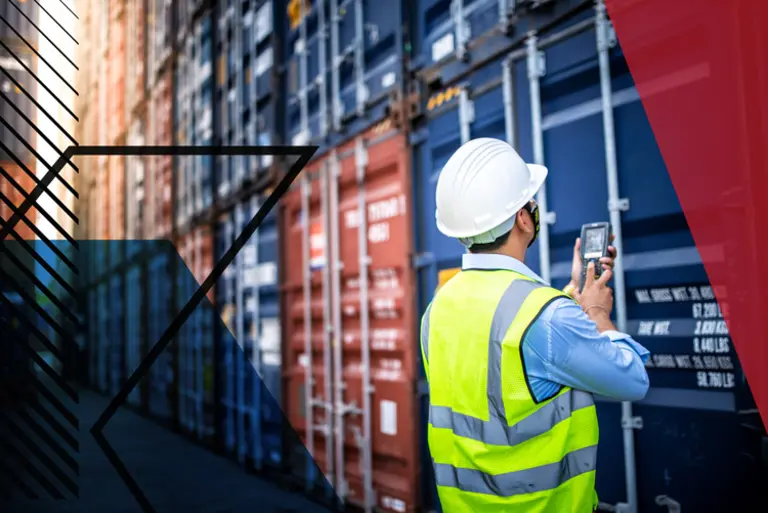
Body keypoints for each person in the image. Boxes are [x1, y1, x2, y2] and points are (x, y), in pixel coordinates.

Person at [420, 138, 650, 513]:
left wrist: (571, 297)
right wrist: (596, 313)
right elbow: (633, 380)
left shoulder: (438, 308)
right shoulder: (547, 317)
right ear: (523, 219)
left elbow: (504, 349)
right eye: (530, 203)